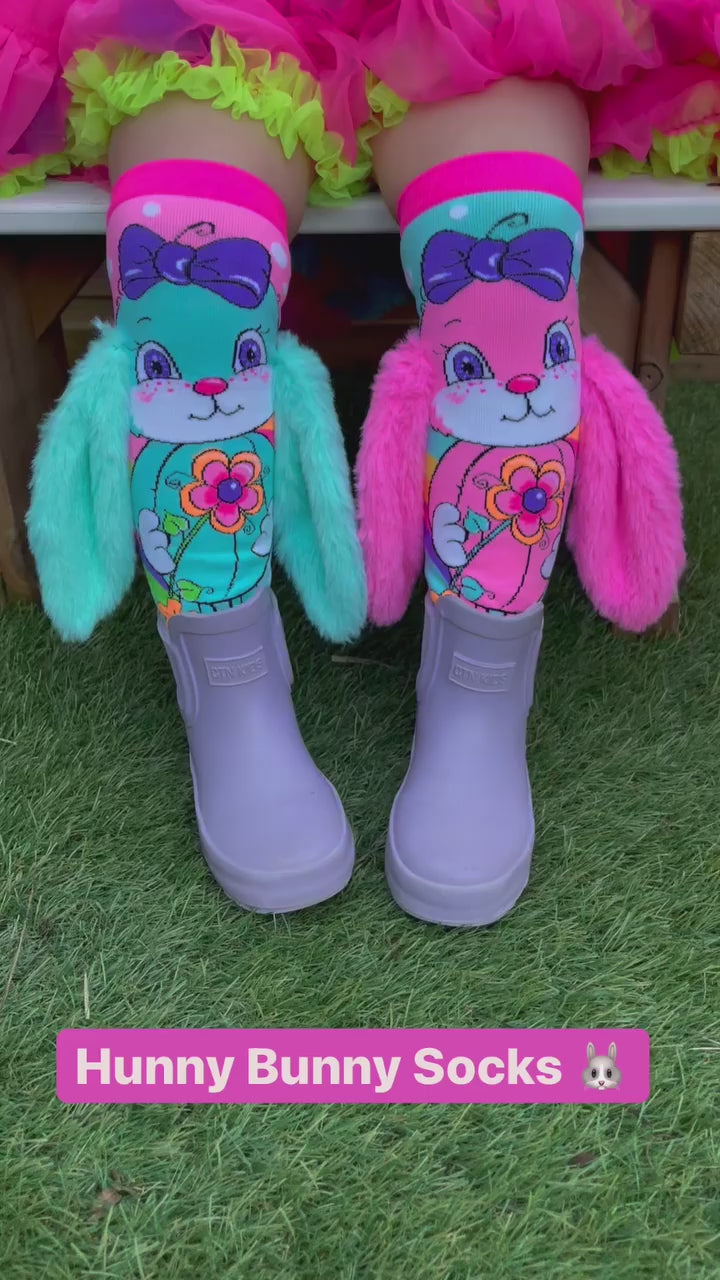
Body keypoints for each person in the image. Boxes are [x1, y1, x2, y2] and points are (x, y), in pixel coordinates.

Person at [7, 1, 702, 922]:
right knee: (184, 252)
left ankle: (476, 700)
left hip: (467, 25)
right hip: (222, 24)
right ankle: (232, 692)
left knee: (507, 266)